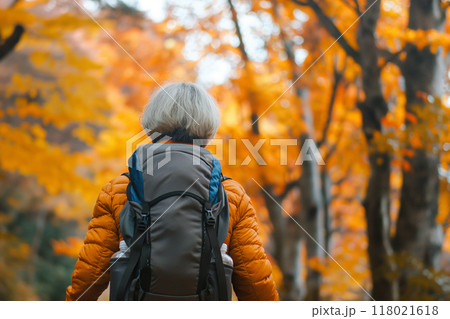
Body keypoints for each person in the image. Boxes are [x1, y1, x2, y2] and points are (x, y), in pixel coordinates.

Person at [66, 82, 279, 301]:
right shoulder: (230, 195)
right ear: (208, 128)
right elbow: (256, 286)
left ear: (153, 124)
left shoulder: (120, 190)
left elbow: (89, 276)